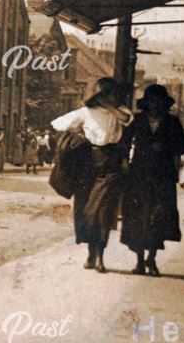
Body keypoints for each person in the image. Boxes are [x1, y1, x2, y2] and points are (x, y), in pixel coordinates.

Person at [51, 77, 134, 273]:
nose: (114, 97)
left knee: (104, 212)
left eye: (115, 94)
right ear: (100, 96)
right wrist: (77, 136)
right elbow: (58, 124)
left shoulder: (121, 114)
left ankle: (100, 257)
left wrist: (113, 108)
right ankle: (91, 253)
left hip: (110, 166)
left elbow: (129, 120)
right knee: (86, 212)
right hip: (88, 166)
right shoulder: (85, 113)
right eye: (109, 94)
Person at [119, 84, 184, 276]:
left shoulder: (172, 122)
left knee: (158, 218)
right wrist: (124, 161)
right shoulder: (137, 120)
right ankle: (139, 261)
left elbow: (179, 149)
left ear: (164, 103)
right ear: (147, 103)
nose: (155, 104)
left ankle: (152, 260)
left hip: (163, 176)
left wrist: (174, 172)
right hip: (139, 175)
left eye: (159, 101)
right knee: (138, 217)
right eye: (152, 100)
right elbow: (125, 142)